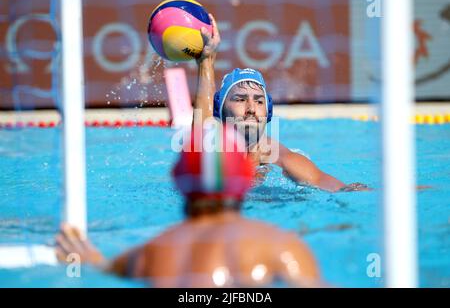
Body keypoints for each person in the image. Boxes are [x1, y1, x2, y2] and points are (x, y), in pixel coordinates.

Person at [55, 124, 322, 287]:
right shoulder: (280, 247)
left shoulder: (146, 256)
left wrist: (92, 261)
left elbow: (100, 272)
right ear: (247, 181)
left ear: (177, 181)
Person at [194, 14, 369, 192]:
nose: (251, 109)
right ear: (220, 110)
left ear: (268, 111)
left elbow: (329, 184)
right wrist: (206, 61)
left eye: (259, 101)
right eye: (240, 99)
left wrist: (349, 190)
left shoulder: (282, 159)